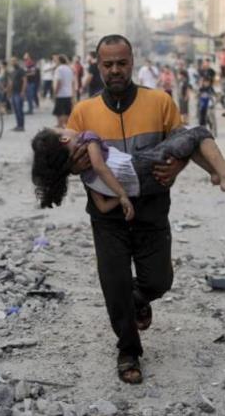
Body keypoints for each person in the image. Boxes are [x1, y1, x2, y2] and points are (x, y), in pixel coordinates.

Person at [64, 34, 190, 385]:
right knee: (113, 282)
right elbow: (70, 164)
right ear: (98, 65)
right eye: (108, 64)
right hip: (106, 216)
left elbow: (183, 143)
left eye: (122, 63)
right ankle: (128, 350)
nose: (115, 70)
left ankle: (138, 297)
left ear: (132, 62)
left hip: (152, 209)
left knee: (159, 280)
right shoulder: (83, 112)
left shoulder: (160, 102)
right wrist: (73, 165)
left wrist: (178, 165)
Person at [31, 125, 225, 216]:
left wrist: (125, 195)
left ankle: (215, 173)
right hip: (143, 166)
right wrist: (121, 194)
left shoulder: (86, 176)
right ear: (64, 138)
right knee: (197, 133)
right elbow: (101, 165)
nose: (69, 126)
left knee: (181, 135)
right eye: (62, 128)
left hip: (144, 188)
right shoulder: (89, 140)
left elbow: (101, 205)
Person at [52, 55, 74, 127]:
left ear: (59, 61)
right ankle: (66, 125)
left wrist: (55, 92)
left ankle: (60, 125)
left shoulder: (59, 69)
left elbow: (59, 82)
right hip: (68, 93)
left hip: (61, 94)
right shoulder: (69, 69)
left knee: (59, 112)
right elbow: (72, 82)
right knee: (67, 111)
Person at [7, 56, 26, 132]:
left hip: (19, 92)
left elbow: (25, 81)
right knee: (16, 110)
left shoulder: (21, 70)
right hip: (14, 93)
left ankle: (21, 126)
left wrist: (23, 91)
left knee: (19, 109)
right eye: (12, 61)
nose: (13, 62)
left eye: (14, 61)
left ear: (17, 61)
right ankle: (18, 125)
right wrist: (9, 92)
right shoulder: (12, 72)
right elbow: (11, 83)